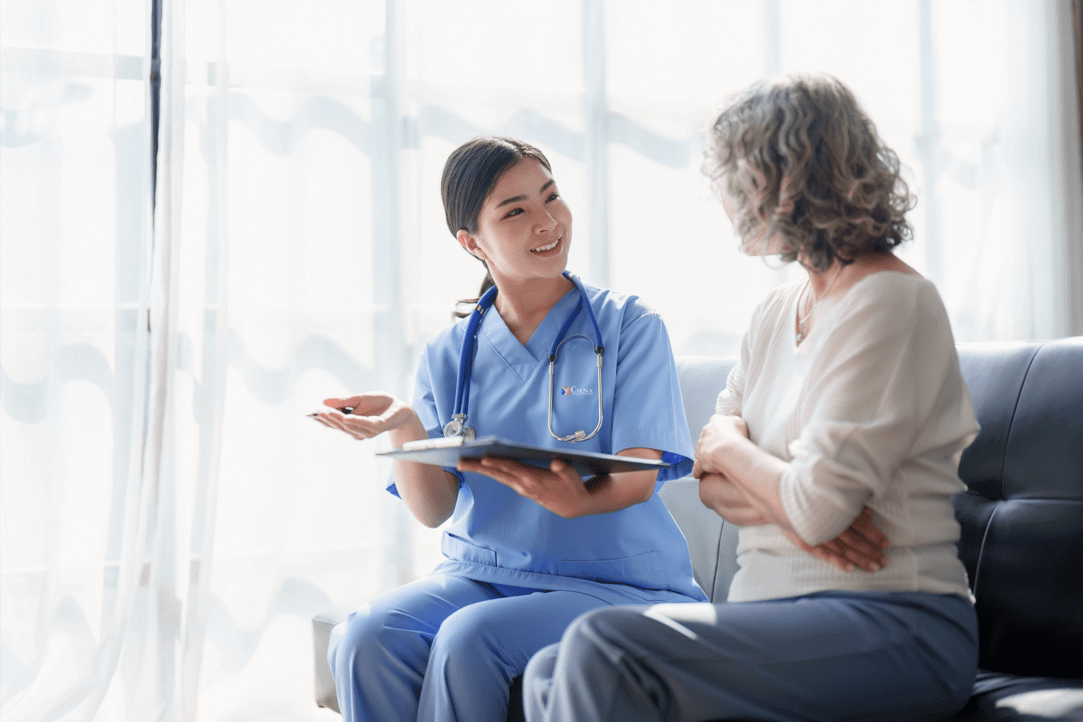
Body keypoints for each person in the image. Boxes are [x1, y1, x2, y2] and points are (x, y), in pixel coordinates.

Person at [523, 73, 981, 722]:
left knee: (605, 648)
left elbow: (795, 499)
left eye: (739, 179)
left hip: (895, 624)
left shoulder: (889, 303)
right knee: (549, 667)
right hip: (770, 620)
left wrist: (730, 447)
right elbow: (714, 489)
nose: (728, 199)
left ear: (789, 180)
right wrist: (789, 499)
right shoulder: (774, 313)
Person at [314, 136, 708, 722]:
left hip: (622, 584)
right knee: (363, 636)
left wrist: (578, 501)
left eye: (551, 198)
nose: (548, 222)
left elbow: (639, 476)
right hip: (482, 573)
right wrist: (405, 427)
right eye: (516, 210)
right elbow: (434, 511)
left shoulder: (630, 326)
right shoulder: (449, 353)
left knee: (472, 639)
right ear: (472, 243)